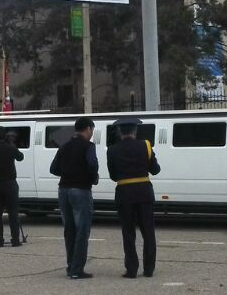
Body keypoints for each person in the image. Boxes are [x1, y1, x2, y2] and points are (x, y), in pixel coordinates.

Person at [107, 117, 161, 278]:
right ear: (135, 131)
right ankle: (149, 269)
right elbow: (155, 170)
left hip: (124, 193)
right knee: (148, 232)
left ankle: (131, 269)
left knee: (128, 233)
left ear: (119, 132)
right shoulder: (146, 145)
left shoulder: (112, 150)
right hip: (144, 192)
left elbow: (113, 176)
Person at [50, 117, 98, 279]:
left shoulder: (64, 146)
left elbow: (53, 168)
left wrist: (67, 172)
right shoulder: (88, 146)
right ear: (88, 129)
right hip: (81, 190)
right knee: (82, 230)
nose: (92, 133)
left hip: (63, 190)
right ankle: (77, 270)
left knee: (69, 230)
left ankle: (71, 265)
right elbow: (92, 164)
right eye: (92, 130)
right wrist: (92, 177)